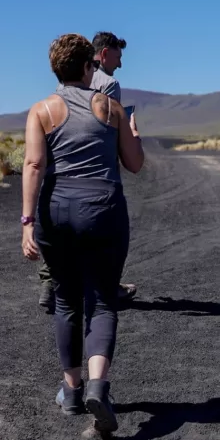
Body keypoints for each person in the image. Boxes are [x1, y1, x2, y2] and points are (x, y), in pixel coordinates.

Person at [21, 33, 144, 433]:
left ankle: (72, 391)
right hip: (104, 208)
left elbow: (34, 165)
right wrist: (133, 133)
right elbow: (134, 163)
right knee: (103, 301)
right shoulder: (109, 108)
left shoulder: (42, 110)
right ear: (89, 67)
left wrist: (26, 223)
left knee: (66, 300)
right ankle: (98, 386)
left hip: (56, 211)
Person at [37, 31, 136, 311]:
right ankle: (107, 288)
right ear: (104, 54)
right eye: (117, 57)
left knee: (58, 228)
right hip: (96, 171)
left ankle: (50, 288)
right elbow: (106, 126)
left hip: (60, 166)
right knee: (102, 234)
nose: (119, 64)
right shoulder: (109, 84)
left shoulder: (65, 80)